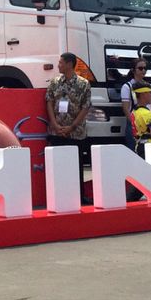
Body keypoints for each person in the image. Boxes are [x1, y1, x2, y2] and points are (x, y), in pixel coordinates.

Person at [45, 52, 92, 205]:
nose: (58, 65)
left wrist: (72, 126)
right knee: (58, 165)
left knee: (77, 165)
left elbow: (85, 107)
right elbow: (49, 103)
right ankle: (59, 196)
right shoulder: (54, 82)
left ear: (70, 64)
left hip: (76, 132)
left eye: (61, 62)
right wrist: (55, 124)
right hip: (57, 131)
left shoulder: (83, 83)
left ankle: (79, 196)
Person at [121, 57, 151, 151]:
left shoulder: (149, 86)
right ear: (133, 70)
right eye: (140, 68)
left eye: (145, 68)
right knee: (134, 152)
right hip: (134, 124)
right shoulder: (127, 87)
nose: (144, 70)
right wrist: (135, 124)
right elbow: (126, 108)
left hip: (148, 122)